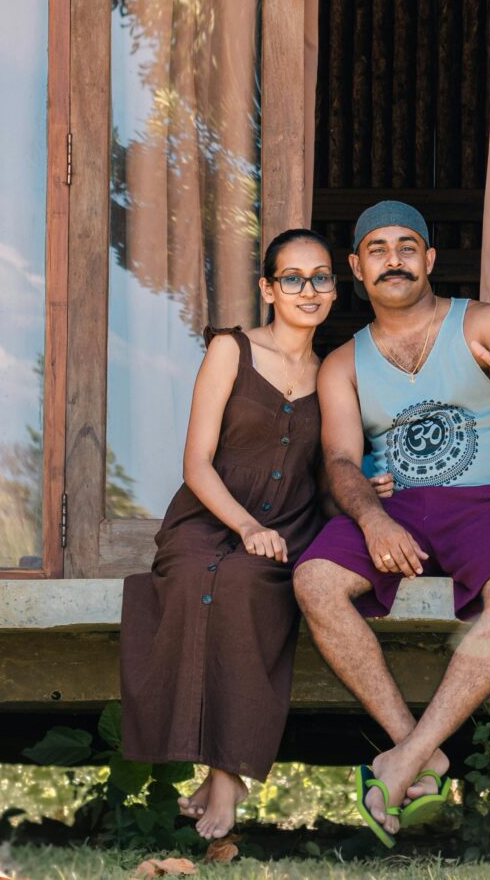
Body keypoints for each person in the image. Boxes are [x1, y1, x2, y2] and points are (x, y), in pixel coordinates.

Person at [292, 200, 490, 843]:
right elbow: (340, 460)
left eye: (407, 247)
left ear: (430, 260)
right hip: (398, 509)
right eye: (377, 249)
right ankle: (419, 751)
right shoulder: (343, 364)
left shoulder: (481, 320)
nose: (394, 260)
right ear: (357, 268)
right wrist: (374, 519)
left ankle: (405, 761)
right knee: (315, 581)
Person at [118, 229, 338, 841]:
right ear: (269, 288)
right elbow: (196, 462)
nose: (308, 290)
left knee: (246, 584)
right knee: (194, 578)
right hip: (209, 518)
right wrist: (244, 524)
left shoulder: (336, 369)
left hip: (289, 526)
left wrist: (365, 489)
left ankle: (226, 774)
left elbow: (328, 470)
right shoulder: (230, 350)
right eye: (291, 278)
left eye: (321, 277)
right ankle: (221, 773)